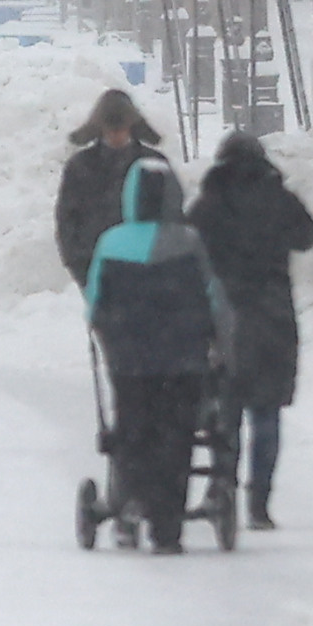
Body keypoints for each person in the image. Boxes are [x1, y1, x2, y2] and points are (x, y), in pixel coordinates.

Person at [84, 158, 233, 554]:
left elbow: (95, 303)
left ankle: (129, 505)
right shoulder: (190, 242)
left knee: (134, 432)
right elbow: (214, 299)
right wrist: (220, 345)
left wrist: (111, 334)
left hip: (128, 360)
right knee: (176, 437)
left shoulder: (111, 243)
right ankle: (168, 529)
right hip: (183, 359)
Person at [188, 133, 313, 531]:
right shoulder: (277, 198)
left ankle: (223, 490)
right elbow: (310, 236)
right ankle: (259, 503)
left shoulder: (209, 204)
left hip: (226, 319)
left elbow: (189, 244)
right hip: (273, 317)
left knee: (226, 412)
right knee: (267, 412)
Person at [54, 86, 163, 285]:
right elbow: (67, 219)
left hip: (148, 272)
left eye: (120, 128)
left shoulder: (154, 165)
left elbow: (171, 217)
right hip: (96, 269)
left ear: (131, 127)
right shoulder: (80, 167)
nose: (115, 135)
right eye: (110, 129)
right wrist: (79, 264)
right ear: (99, 129)